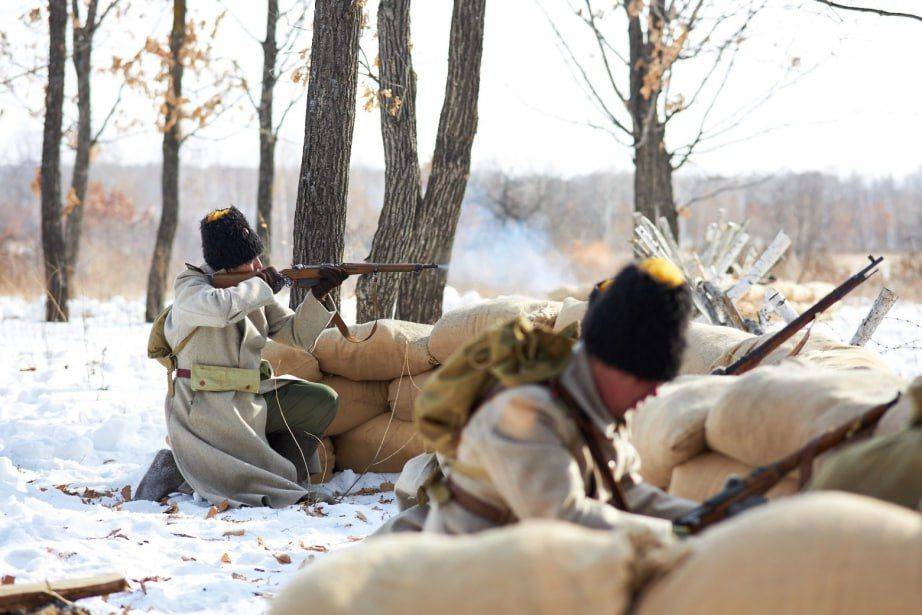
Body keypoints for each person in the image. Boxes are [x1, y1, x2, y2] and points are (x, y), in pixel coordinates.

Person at [411, 258, 699, 534]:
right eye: (644, 378)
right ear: (610, 362)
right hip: (469, 575)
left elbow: (626, 491)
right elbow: (563, 521)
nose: (653, 392)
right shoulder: (523, 409)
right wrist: (677, 532)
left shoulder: (597, 405)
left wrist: (705, 515)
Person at [135, 206, 347, 508]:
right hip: (204, 405)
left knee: (321, 401)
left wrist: (319, 296)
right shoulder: (190, 286)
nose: (259, 265)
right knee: (230, 468)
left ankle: (284, 479)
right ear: (227, 266)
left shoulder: (252, 289)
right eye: (251, 260)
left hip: (248, 398)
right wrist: (259, 286)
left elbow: (295, 334)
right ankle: (178, 469)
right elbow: (219, 309)